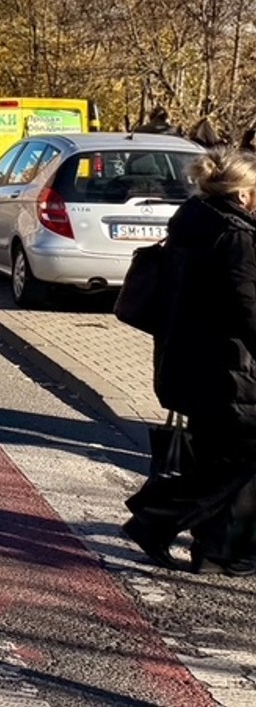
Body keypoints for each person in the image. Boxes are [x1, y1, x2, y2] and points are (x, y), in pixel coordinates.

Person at [124, 149, 256, 575]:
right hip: (229, 369)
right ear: (243, 194)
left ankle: (219, 552)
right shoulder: (235, 237)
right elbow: (248, 308)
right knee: (236, 461)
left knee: (219, 459)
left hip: (190, 362)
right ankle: (155, 517)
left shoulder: (193, 223)